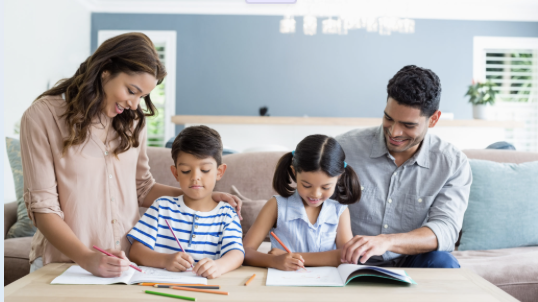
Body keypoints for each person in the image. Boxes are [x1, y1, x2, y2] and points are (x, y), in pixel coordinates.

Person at [20, 33, 242, 278]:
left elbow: (142, 188)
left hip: (126, 266)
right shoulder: (42, 117)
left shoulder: (133, 122)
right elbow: (43, 209)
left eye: (142, 96)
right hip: (63, 265)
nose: (135, 105)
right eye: (131, 90)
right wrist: (86, 258)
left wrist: (201, 195)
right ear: (105, 70)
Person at [337, 65, 472, 268]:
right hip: (349, 260)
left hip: (412, 260)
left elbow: (445, 230)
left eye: (408, 125)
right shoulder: (345, 149)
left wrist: (387, 241)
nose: (394, 132)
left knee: (444, 262)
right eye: (388, 118)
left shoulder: (452, 163)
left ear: (433, 119)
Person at [127, 126, 244, 278]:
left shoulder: (227, 214)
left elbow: (236, 253)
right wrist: (165, 260)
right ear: (175, 173)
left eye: (205, 170)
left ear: (219, 172)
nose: (195, 177)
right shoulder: (162, 207)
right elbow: (136, 251)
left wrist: (218, 266)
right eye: (186, 171)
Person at [243, 135, 361, 270]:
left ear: (338, 178)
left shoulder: (339, 211)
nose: (315, 194)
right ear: (294, 172)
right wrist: (274, 261)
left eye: (325, 187)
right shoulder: (276, 206)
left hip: (325, 285)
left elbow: (346, 257)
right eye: (306, 185)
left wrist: (295, 257)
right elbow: (245, 251)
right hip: (282, 284)